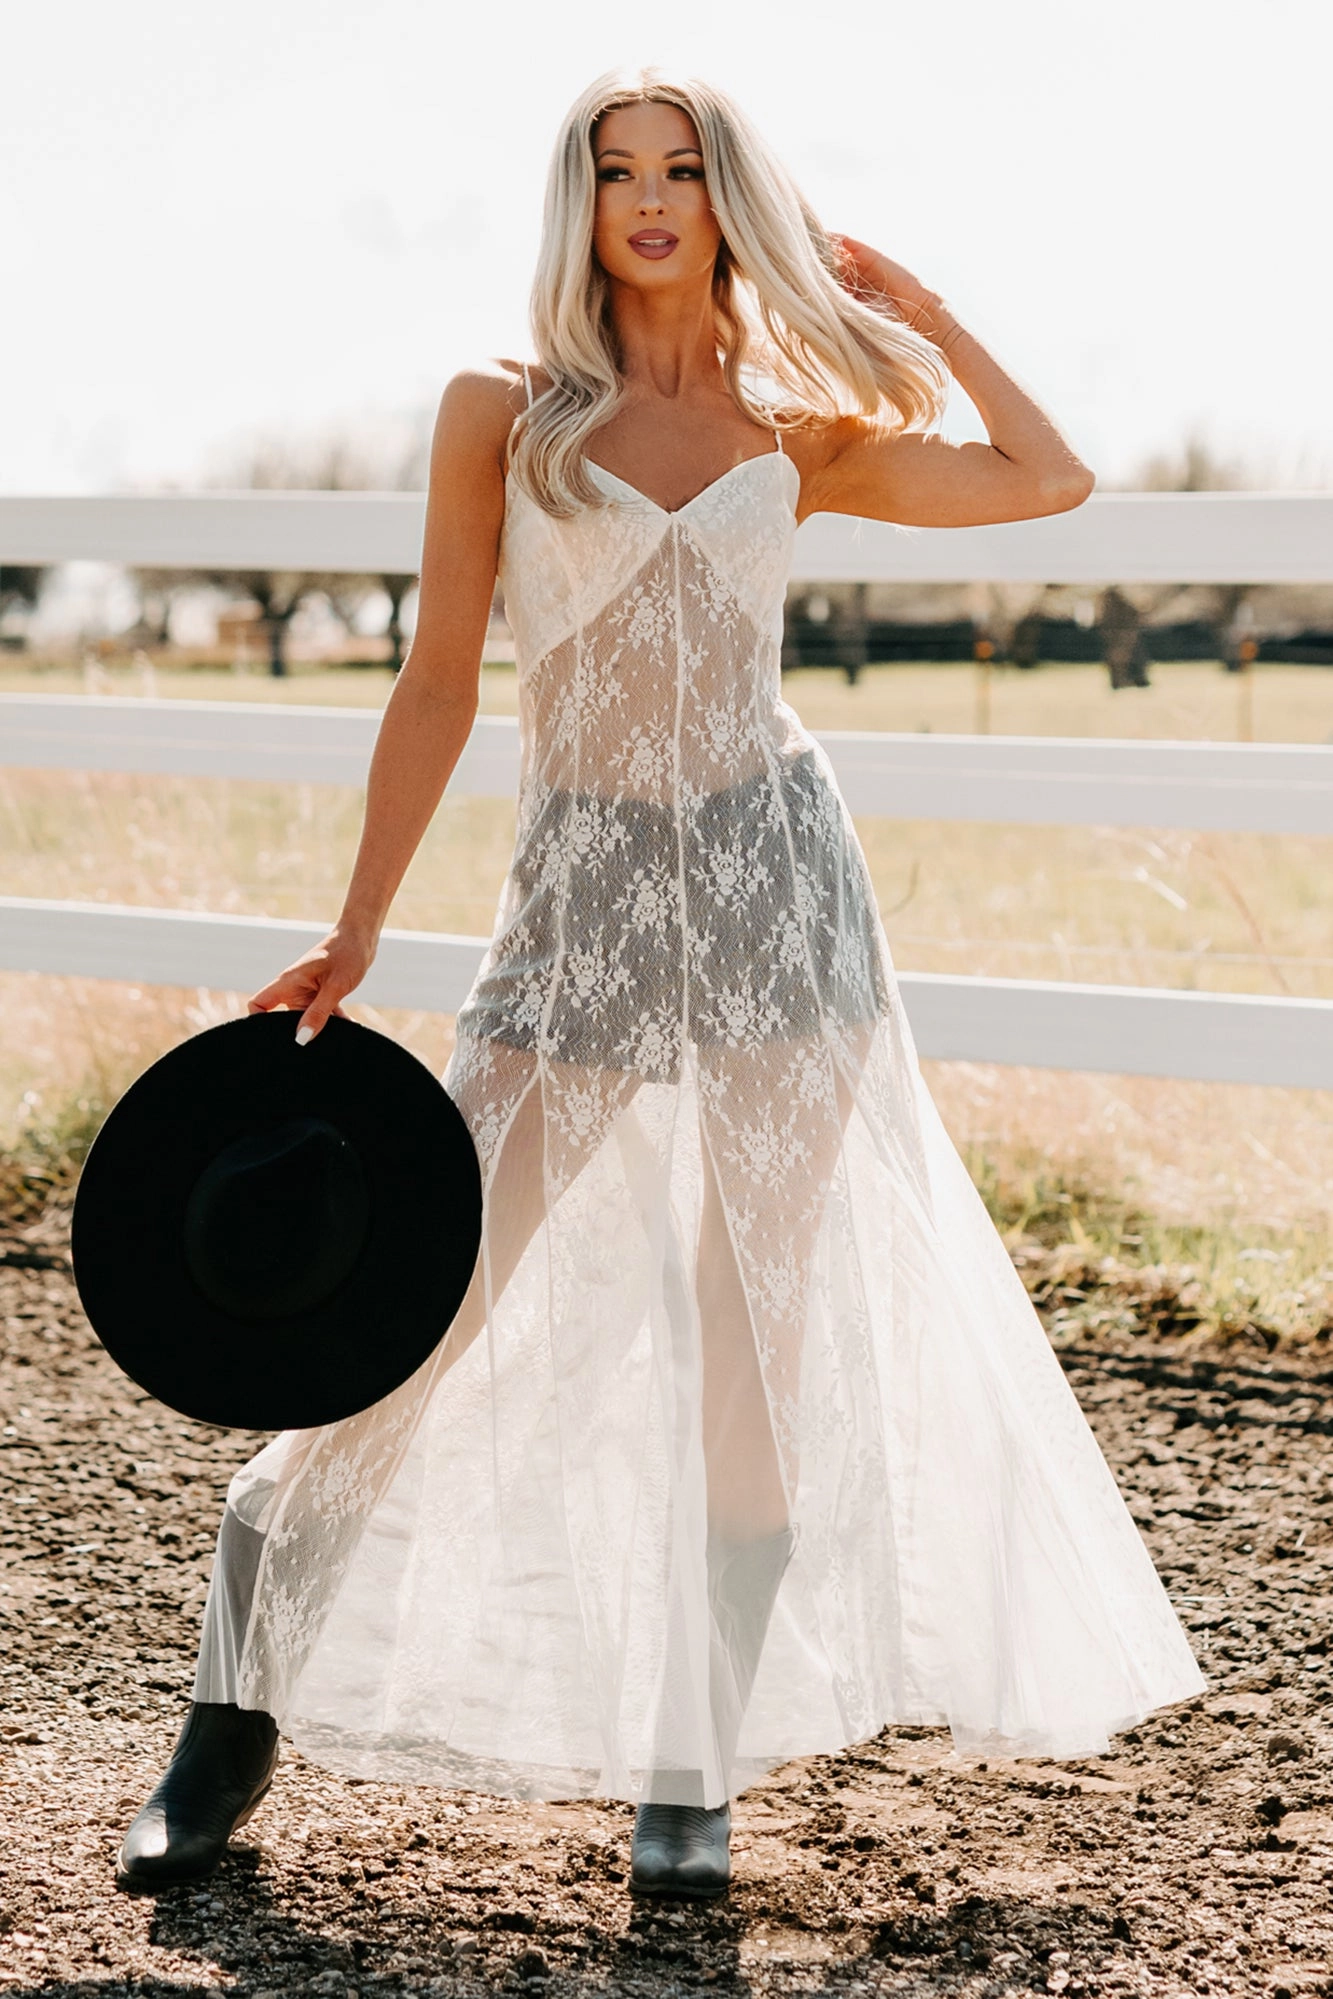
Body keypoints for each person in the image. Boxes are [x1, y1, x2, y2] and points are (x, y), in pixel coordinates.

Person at [116, 65, 1204, 1901]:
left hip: (781, 897)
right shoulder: (507, 416)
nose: (647, 199)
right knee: (423, 1300)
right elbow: (442, 685)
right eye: (614, 170)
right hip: (584, 903)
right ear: (579, 201)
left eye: (682, 170)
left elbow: (1052, 478)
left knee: (751, 1336)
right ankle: (228, 1718)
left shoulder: (802, 423)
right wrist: (365, 921)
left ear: (725, 198)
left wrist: (915, 312)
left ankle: (691, 1761)